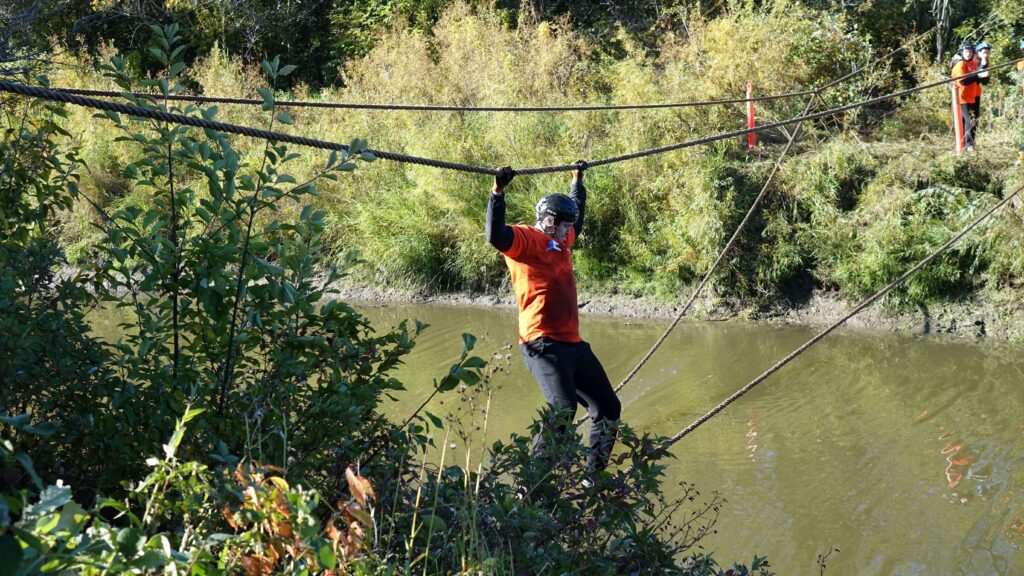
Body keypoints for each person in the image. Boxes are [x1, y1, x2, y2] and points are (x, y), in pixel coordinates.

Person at [486, 162, 621, 474]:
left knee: (609, 408)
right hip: (542, 343)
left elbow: (580, 218)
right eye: (562, 226)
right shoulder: (526, 240)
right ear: (548, 221)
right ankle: (531, 485)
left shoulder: (563, 238)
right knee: (563, 409)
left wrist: (577, 180)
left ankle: (593, 477)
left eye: (568, 227)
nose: (568, 233)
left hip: (572, 344)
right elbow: (496, 236)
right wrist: (498, 193)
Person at [951, 42, 982, 151]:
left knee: (973, 120)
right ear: (962, 52)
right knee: (968, 120)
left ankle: (970, 143)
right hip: (962, 97)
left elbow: (980, 79)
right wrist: (977, 75)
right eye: (966, 51)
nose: (968, 53)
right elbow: (963, 81)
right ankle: (967, 144)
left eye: (970, 51)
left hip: (972, 96)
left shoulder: (974, 63)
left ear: (973, 53)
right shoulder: (960, 64)